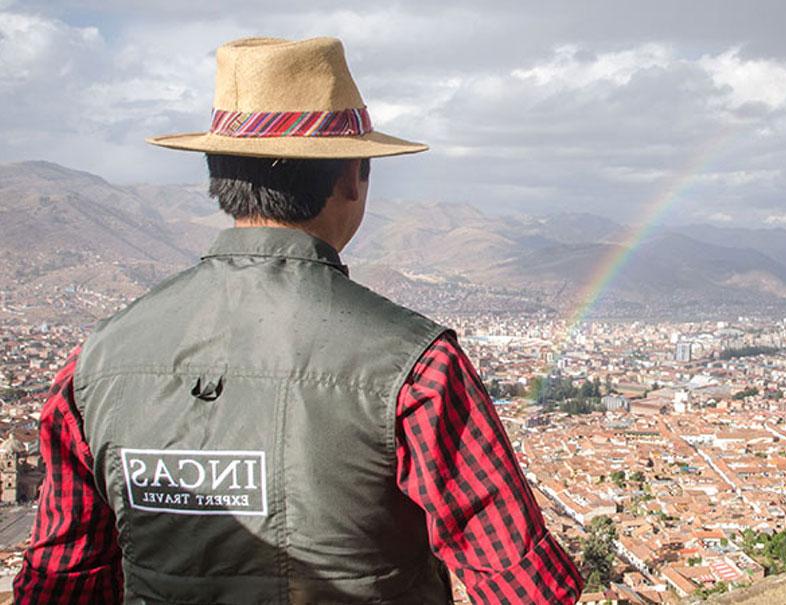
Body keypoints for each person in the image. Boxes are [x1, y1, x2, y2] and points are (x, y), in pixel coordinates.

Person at [14, 37, 582, 604]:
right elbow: (523, 586)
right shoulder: (418, 368)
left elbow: (61, 580)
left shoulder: (96, 366)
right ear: (351, 177)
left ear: (219, 175)